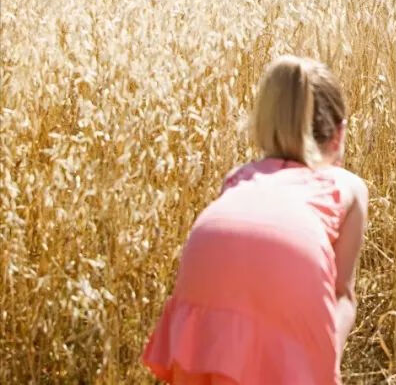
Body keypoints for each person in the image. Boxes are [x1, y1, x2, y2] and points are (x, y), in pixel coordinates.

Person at [142, 55, 369, 385]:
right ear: (339, 133)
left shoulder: (238, 177)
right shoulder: (347, 186)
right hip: (292, 255)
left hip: (209, 241)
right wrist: (318, 362)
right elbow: (342, 295)